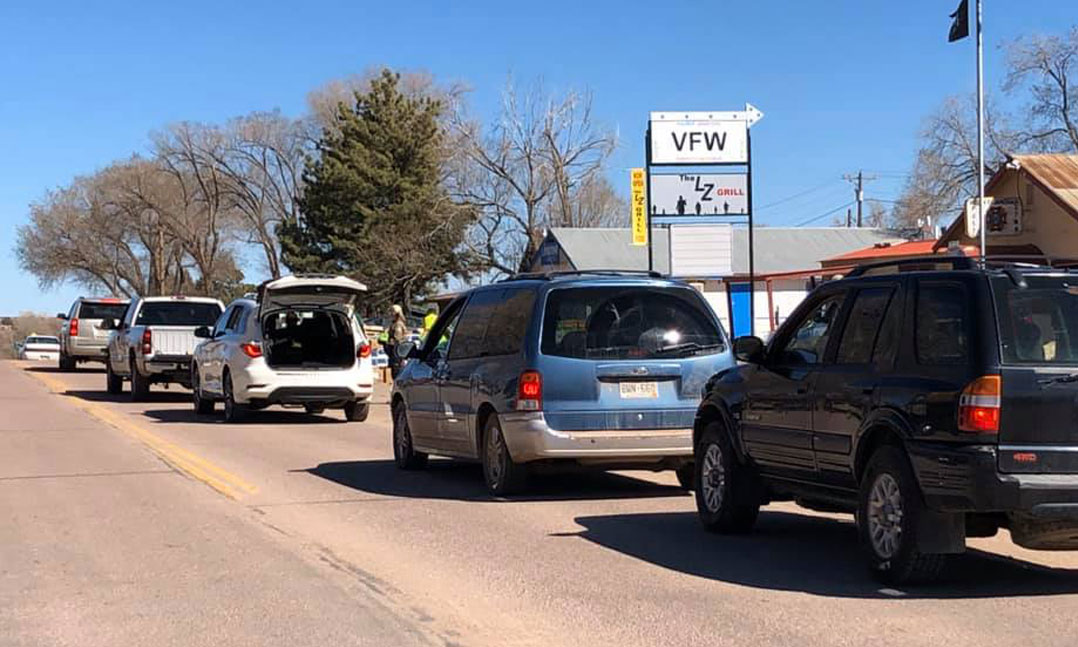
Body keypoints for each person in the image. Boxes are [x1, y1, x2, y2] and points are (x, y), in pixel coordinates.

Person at [387, 304, 409, 379]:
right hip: (396, 350)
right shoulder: (395, 323)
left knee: (396, 369)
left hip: (397, 350)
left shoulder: (398, 325)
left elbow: (398, 338)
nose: (390, 314)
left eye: (392, 312)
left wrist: (388, 341)